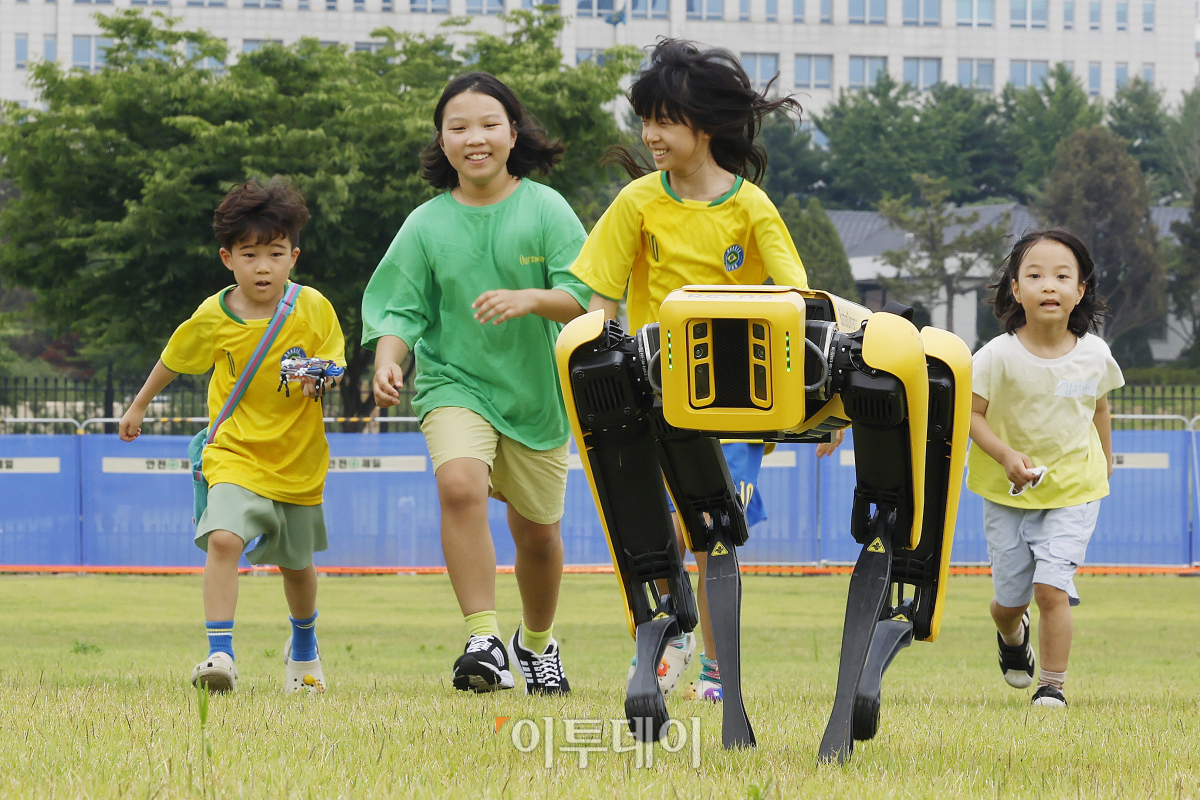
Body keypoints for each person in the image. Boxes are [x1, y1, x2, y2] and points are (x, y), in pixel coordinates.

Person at [569, 38, 839, 703]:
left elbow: (797, 305)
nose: (649, 134)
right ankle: (674, 630)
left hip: (736, 406)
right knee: (654, 535)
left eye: (664, 120)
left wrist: (825, 403)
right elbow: (598, 306)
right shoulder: (635, 203)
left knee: (709, 535)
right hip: (653, 401)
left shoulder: (751, 208)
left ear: (705, 125)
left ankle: (716, 673)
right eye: (645, 119)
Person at [362, 73, 590, 696]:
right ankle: (483, 638)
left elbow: (585, 299)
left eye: (488, 124)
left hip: (536, 394)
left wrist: (530, 298)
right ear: (442, 141)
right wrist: (389, 359)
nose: (475, 138)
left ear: (514, 135)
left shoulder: (545, 209)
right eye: (458, 127)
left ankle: (537, 643)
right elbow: (400, 309)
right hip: (452, 382)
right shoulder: (426, 224)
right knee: (460, 486)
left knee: (537, 534)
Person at [119, 177, 346, 695]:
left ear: (294, 256)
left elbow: (334, 361)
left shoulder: (312, 307)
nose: (262, 266)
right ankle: (220, 652)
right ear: (227, 258)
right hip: (234, 453)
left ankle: (304, 645)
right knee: (223, 539)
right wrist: (138, 406)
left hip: (297, 459)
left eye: (274, 252)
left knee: (297, 564)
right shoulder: (213, 315)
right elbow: (173, 361)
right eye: (249, 254)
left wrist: (322, 376)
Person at [968, 228, 1123, 708]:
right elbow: (970, 415)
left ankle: (1051, 686)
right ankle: (1013, 637)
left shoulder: (1095, 353)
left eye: (1062, 276)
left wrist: (1106, 459)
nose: (1048, 285)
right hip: (1007, 495)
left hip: (1074, 490)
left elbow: (1099, 409)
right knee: (1009, 602)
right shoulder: (996, 356)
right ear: (1016, 289)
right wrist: (1005, 457)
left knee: (1051, 587)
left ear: (1080, 291)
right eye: (1034, 275)